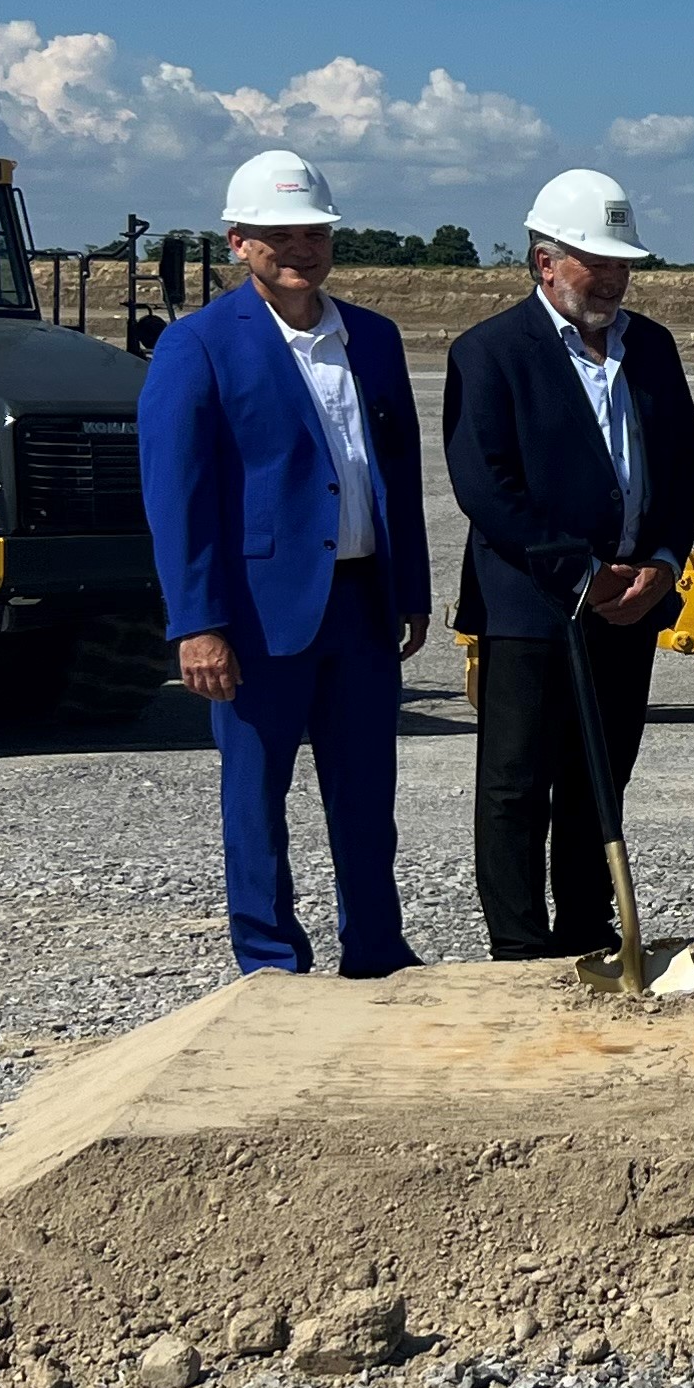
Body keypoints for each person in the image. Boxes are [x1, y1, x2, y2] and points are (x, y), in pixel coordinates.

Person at [133, 148, 431, 978]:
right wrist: (197, 623)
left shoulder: (372, 338)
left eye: (313, 233)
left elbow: (395, 471)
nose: (299, 249)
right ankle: (269, 960)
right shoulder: (197, 348)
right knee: (256, 798)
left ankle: (376, 950)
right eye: (277, 236)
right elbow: (176, 500)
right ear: (238, 242)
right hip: (259, 616)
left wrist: (410, 588)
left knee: (368, 796)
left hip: (363, 603)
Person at [441, 168, 694, 960]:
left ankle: (587, 927)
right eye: (598, 261)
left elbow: (683, 464)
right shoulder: (490, 354)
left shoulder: (650, 348)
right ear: (544, 260)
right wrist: (580, 575)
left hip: (631, 599)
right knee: (518, 783)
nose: (616, 278)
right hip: (531, 606)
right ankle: (521, 945)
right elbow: (487, 488)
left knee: (601, 776)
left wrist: (661, 557)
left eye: (623, 263)